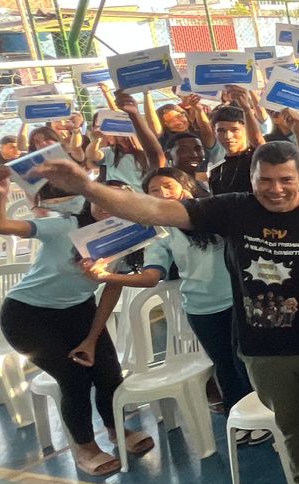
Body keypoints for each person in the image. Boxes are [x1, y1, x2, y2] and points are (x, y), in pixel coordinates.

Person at [34, 140, 299, 484]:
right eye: (265, 180)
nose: (276, 189)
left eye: (286, 179)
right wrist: (88, 187)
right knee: (291, 426)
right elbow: (157, 210)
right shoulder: (235, 207)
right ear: (251, 179)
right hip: (262, 348)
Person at [0, 169, 150, 476]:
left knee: (108, 371)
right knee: (74, 378)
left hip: (78, 310)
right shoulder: (64, 226)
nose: (108, 204)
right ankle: (84, 447)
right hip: (27, 316)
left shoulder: (127, 239)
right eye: (101, 197)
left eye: (117, 199)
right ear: (90, 199)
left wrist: (92, 339)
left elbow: (111, 291)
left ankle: (115, 429)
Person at [80, 168, 254, 425]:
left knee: (247, 363)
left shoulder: (216, 214)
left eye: (168, 186)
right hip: (201, 310)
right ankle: (238, 420)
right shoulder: (160, 232)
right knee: (225, 367)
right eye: (154, 190)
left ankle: (262, 416)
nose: (162, 193)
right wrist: (106, 276)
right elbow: (151, 277)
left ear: (185, 186)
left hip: (237, 303)